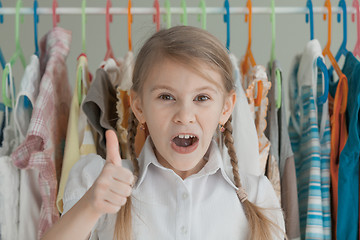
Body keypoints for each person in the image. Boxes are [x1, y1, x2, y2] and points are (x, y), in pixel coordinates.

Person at [42, 26, 285, 240]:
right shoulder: (98, 181)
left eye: (202, 98)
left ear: (226, 109)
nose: (185, 114)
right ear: (138, 107)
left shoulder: (256, 195)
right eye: (166, 97)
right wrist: (90, 205)